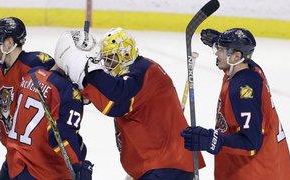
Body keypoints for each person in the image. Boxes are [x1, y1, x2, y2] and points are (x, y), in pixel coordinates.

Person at [54, 27, 205, 179]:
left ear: (125, 53)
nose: (107, 65)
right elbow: (111, 99)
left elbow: (116, 98)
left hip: (167, 166)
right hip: (158, 165)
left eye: (110, 58)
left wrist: (88, 72)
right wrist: (88, 89)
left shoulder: (145, 72)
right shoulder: (138, 72)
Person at [181, 28, 290, 180]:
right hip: (260, 167)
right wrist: (219, 41)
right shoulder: (249, 70)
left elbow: (251, 141)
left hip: (255, 173)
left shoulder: (242, 92)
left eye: (220, 50)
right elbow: (241, 58)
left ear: (236, 56)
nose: (216, 53)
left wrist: (213, 140)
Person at [0, 17, 55, 179]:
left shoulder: (37, 65)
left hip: (41, 160)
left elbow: (64, 93)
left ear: (9, 43)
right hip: (14, 156)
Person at [6, 30, 94, 179]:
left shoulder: (31, 74)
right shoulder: (69, 93)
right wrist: (79, 165)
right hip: (43, 172)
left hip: (16, 165)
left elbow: (13, 114)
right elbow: (60, 135)